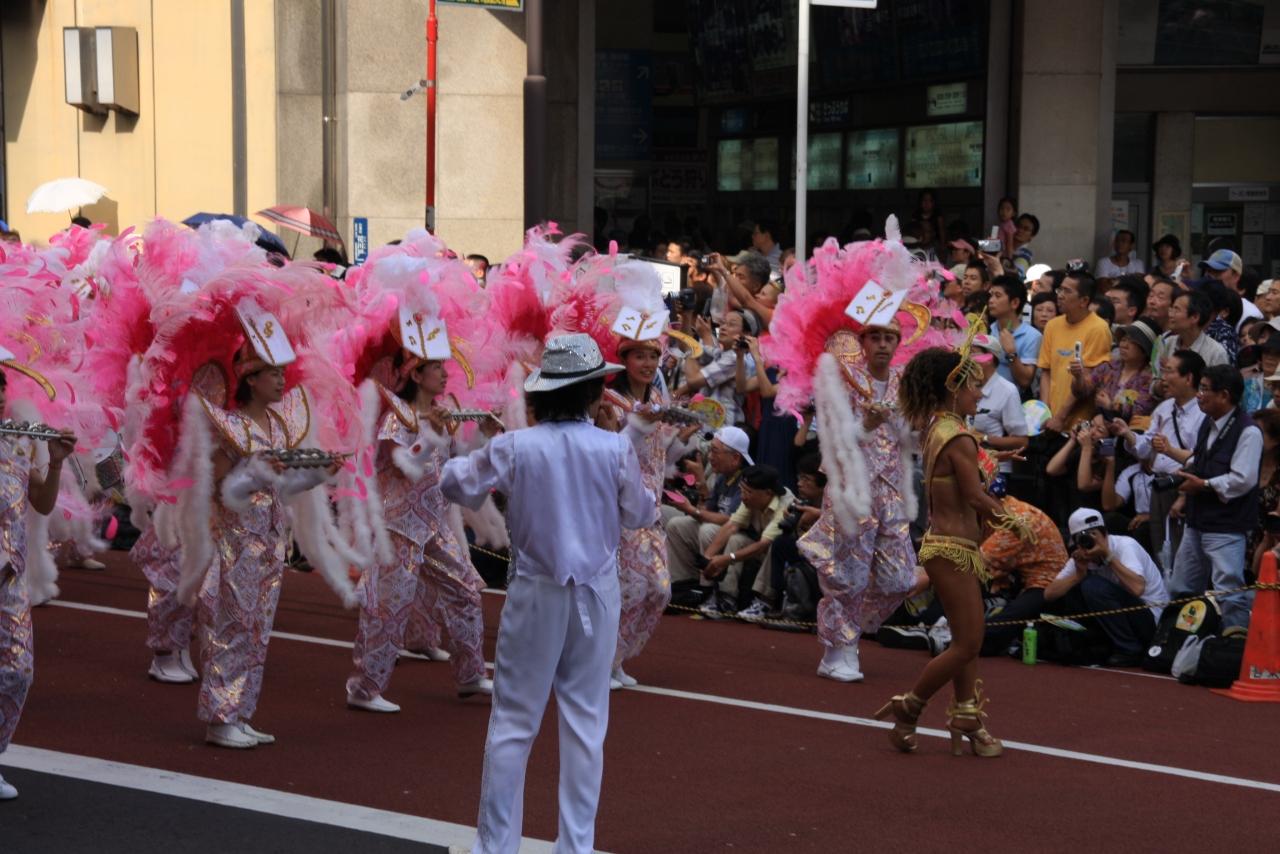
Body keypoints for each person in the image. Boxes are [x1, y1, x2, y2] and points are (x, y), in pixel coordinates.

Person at [441, 333, 656, 854]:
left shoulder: (516, 445)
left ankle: (496, 847)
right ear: (594, 394)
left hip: (535, 591)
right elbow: (640, 513)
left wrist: (449, 443)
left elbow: (456, 485)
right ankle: (575, 846)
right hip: (596, 593)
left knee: (514, 723)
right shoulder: (613, 446)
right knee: (585, 724)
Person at [877, 344, 1027, 758]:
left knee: (965, 639)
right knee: (968, 644)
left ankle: (967, 715)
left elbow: (962, 472)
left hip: (951, 547)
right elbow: (975, 496)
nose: (979, 394)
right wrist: (1016, 523)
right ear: (953, 388)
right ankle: (910, 707)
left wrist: (991, 456)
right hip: (953, 548)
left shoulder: (942, 428)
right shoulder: (958, 435)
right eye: (973, 386)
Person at [346, 352, 493, 714]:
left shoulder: (442, 413)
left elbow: (454, 463)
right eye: (436, 367)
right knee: (388, 609)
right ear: (416, 375)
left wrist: (486, 438)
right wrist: (431, 434)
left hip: (434, 525)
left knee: (465, 592)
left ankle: (471, 674)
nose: (444, 373)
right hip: (398, 527)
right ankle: (364, 689)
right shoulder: (395, 417)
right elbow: (404, 466)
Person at [799, 321, 918, 683]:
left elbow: (911, 438)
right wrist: (866, 424)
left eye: (889, 338)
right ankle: (839, 651)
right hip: (852, 486)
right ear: (862, 342)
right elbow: (833, 437)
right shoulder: (843, 379)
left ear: (898, 343)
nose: (882, 344)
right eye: (875, 337)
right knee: (847, 577)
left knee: (900, 578)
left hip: (891, 489)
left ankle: (847, 632)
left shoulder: (904, 382)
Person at [0, 365, 77, 801]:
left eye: (1, 387)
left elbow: (42, 504)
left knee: (17, 671)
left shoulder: (14, 443)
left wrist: (58, 461)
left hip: (9, 579)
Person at [1169, 365, 1262, 630]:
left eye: (1204, 389)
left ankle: (1233, 644)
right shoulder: (1207, 423)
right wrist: (1186, 475)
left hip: (1226, 527)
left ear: (1224, 395)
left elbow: (1243, 479)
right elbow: (1200, 459)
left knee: (1228, 592)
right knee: (1182, 588)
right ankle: (1178, 641)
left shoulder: (1248, 431)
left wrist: (1204, 484)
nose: (1199, 395)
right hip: (1196, 521)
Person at [1114, 349, 1206, 570]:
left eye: (1169, 372)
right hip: (1159, 486)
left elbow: (1202, 459)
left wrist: (1170, 450)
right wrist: (1127, 434)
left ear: (1188, 378)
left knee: (1183, 551)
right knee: (1160, 549)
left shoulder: (1203, 412)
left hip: (1185, 486)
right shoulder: (1164, 408)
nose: (1163, 378)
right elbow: (1145, 449)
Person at [1044, 508, 1168, 667]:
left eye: (1094, 536)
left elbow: (1138, 589)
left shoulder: (1125, 546)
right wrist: (1078, 575)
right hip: (1124, 617)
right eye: (1083, 539)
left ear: (1105, 534)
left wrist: (1108, 555)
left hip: (1151, 619)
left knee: (1093, 586)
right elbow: (1049, 595)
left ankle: (1130, 650)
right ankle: (1103, 644)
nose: (1090, 543)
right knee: (1075, 587)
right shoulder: (1082, 555)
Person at [664, 427, 750, 601]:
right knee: (676, 525)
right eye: (710, 450)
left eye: (715, 452)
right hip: (720, 529)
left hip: (740, 534)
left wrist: (691, 510)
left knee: (707, 530)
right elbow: (708, 511)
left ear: (735, 458)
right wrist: (693, 499)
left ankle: (707, 589)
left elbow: (730, 520)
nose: (710, 457)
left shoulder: (747, 479)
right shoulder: (723, 477)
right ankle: (684, 584)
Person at [701, 465, 795, 618]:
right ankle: (726, 598)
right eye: (742, 490)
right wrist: (707, 559)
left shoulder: (786, 504)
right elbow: (731, 525)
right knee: (736, 539)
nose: (743, 496)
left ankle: (764, 602)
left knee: (774, 544)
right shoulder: (749, 499)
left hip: (785, 557)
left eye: (748, 492)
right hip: (761, 545)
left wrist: (726, 559)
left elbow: (764, 544)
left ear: (768, 493)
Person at [978, 496, 1068, 655]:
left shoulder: (1019, 518)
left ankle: (958, 638)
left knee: (992, 631)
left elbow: (978, 562)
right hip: (1016, 576)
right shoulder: (993, 512)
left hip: (1045, 583)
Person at [1039, 270, 1112, 435]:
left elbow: (1089, 379)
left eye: (1067, 291)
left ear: (1084, 300)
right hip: (1049, 420)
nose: (1060, 295)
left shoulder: (1098, 328)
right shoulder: (1052, 325)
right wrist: (1045, 411)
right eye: (1060, 289)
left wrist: (1060, 417)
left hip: (1077, 425)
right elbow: (1046, 371)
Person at [676, 310, 756, 427]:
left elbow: (693, 381)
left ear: (746, 334)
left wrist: (691, 351)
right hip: (707, 424)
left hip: (722, 428)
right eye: (723, 323)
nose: (723, 327)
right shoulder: (720, 353)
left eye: (731, 324)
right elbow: (687, 345)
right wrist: (687, 315)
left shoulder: (734, 358)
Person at [1074, 319, 1158, 423]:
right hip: (1098, 427)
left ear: (1144, 350)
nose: (1124, 345)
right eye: (1123, 340)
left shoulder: (1149, 378)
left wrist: (1111, 406)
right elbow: (1083, 391)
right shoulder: (1108, 367)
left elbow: (1141, 409)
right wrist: (1078, 377)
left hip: (1129, 430)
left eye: (1132, 342)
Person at [970, 334, 1029, 476]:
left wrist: (984, 438)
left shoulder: (1007, 390)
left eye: (973, 353)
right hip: (967, 466)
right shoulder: (965, 386)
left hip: (995, 470)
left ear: (989, 358)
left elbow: (1022, 441)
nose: (967, 358)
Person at [986, 275, 1040, 391]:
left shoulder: (1032, 336)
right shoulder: (988, 329)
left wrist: (1011, 353)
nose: (991, 300)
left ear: (1014, 303)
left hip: (1012, 399)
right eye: (991, 295)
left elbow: (1025, 381)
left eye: (997, 296)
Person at [1154, 290, 1228, 371]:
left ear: (1195, 317)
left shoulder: (1216, 352)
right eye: (1171, 309)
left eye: (1176, 310)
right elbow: (1155, 376)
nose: (1170, 315)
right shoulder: (1166, 343)